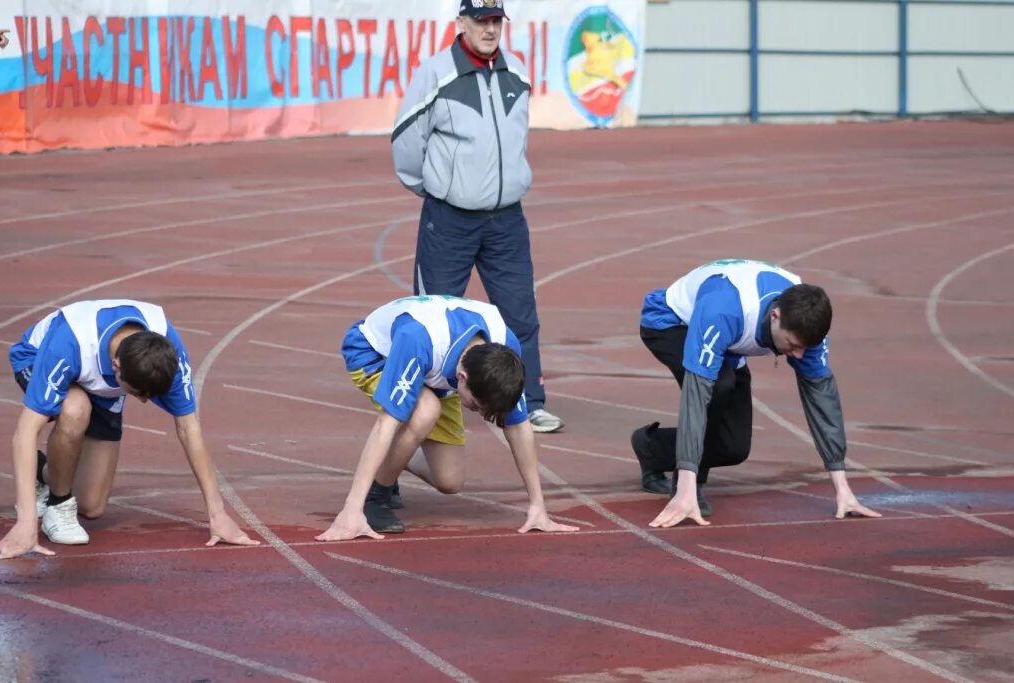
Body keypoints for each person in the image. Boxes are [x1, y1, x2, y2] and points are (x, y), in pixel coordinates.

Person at [390, 0, 564, 434]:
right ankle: (421, 402)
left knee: (520, 313)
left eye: (495, 21)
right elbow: (407, 142)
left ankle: (528, 399)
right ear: (461, 22)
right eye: (480, 20)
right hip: (450, 218)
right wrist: (437, 189)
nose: (489, 29)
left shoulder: (517, 72)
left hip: (506, 219)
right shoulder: (436, 72)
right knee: (433, 313)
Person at [0, 299, 258, 559]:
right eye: (137, 393)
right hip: (38, 357)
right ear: (116, 366)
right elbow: (26, 431)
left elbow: (190, 429)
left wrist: (218, 514)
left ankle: (43, 473)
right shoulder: (67, 344)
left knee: (92, 506)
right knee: (75, 410)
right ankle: (58, 503)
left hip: (101, 385)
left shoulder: (168, 352)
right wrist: (26, 522)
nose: (143, 401)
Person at [631, 259, 881, 528]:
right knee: (719, 385)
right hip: (670, 324)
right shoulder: (726, 309)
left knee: (734, 447)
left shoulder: (808, 328)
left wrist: (842, 487)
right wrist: (689, 482)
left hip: (729, 344)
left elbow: (822, 399)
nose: (797, 355)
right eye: (792, 344)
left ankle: (651, 447)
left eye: (804, 349)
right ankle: (689, 487)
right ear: (776, 316)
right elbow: (697, 396)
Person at [316, 295, 579, 541]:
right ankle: (376, 498)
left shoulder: (504, 351)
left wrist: (538, 506)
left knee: (449, 481)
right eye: (476, 406)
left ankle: (394, 459)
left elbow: (519, 426)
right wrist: (352, 509)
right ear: (462, 378)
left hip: (435, 370)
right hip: (375, 354)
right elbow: (386, 423)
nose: (479, 414)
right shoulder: (417, 338)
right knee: (425, 410)